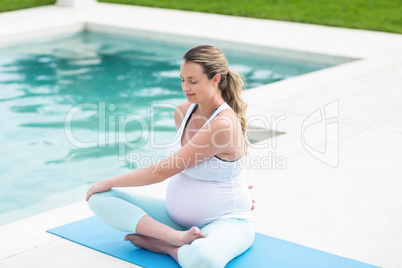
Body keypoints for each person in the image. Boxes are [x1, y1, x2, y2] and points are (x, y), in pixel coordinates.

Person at [86, 45, 255, 268]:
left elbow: (164, 170)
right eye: (182, 79)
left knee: (204, 260)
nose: (186, 87)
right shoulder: (183, 111)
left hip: (224, 221)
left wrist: (108, 180)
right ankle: (173, 237)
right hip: (175, 221)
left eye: (193, 81)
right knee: (99, 198)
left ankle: (167, 247)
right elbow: (195, 164)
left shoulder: (222, 124)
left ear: (215, 79)